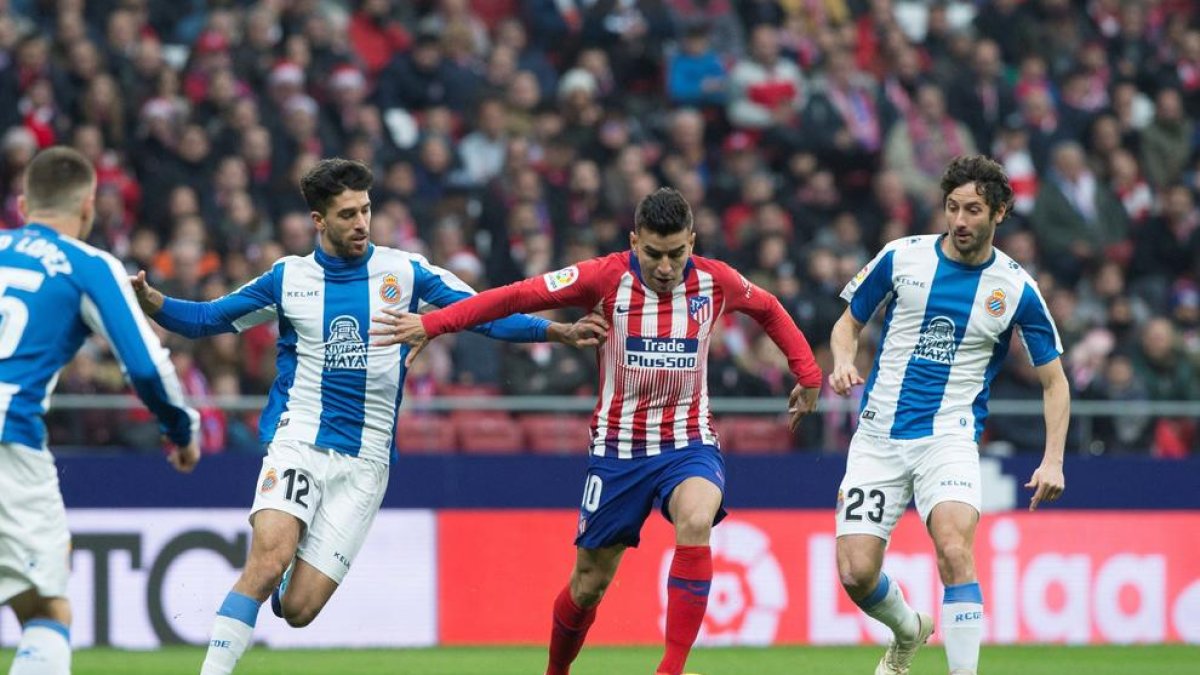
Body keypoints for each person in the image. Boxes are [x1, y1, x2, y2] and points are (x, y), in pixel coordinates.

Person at [128, 158, 604, 675]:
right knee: (267, 560)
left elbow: (483, 314)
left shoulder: (405, 271)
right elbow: (207, 319)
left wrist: (556, 331)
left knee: (299, 611)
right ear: (319, 220)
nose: (361, 223)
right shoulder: (289, 279)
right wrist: (156, 304)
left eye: (366, 210)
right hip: (301, 441)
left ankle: (287, 583)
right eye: (348, 213)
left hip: (367, 462)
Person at [373, 187, 823, 675]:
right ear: (634, 240)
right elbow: (517, 296)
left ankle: (670, 669)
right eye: (653, 253)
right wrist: (435, 323)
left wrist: (809, 374)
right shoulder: (605, 277)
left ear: (693, 242)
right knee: (588, 584)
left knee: (696, 520)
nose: (666, 267)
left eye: (677, 253)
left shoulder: (718, 282)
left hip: (688, 443)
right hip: (617, 451)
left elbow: (770, 308)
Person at [827, 155, 1068, 675]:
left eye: (974, 210)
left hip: (950, 437)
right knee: (854, 573)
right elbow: (847, 323)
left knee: (955, 548)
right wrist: (844, 359)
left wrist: (1053, 460)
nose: (960, 221)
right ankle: (909, 629)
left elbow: (1055, 382)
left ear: (999, 213)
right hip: (878, 438)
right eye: (953, 208)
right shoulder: (901, 258)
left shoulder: (1016, 288)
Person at [0, 146, 201, 675]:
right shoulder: (88, 265)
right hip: (7, 440)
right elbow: (146, 367)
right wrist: (182, 430)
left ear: (23, 205)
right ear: (88, 207)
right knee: (45, 608)